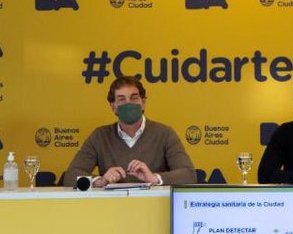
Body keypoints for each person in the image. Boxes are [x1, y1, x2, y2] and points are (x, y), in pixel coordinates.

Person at [62, 75, 195, 186]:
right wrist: (99, 181)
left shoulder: (165, 133)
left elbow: (188, 175)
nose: (128, 103)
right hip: (112, 206)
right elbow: (71, 176)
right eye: (121, 99)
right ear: (113, 107)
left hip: (153, 207)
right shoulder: (100, 136)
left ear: (143, 102)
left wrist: (154, 178)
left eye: (134, 97)